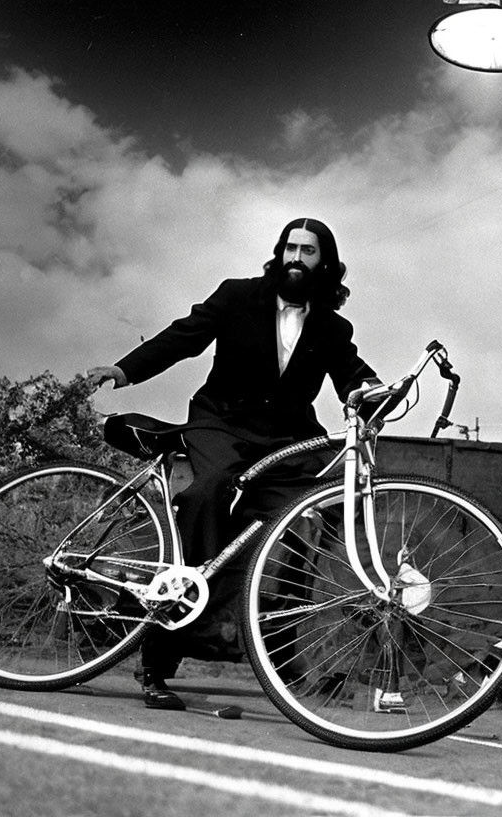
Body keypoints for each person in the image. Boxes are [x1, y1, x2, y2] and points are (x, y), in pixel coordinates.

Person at [87, 217, 380, 710]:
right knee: (208, 492)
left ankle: (260, 643)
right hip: (220, 422)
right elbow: (183, 337)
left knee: (291, 521)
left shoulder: (332, 326)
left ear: (323, 262)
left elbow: (351, 372)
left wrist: (371, 392)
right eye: (290, 248)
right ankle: (160, 656)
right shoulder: (238, 297)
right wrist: (124, 369)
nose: (295, 258)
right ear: (278, 252)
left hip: (283, 440)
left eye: (307, 251)